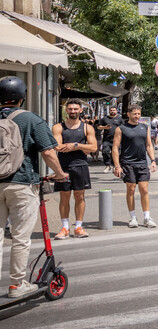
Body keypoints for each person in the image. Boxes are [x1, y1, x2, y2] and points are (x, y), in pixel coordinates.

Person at [0, 76, 69, 298]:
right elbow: (48, 152)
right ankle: (16, 285)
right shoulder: (30, 119)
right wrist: (59, 174)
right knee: (20, 237)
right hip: (22, 184)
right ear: (22, 97)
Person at [51, 99, 98, 239]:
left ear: (80, 110)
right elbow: (57, 146)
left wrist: (76, 145)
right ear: (66, 110)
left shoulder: (87, 128)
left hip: (80, 165)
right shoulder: (58, 127)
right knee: (64, 196)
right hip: (63, 166)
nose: (73, 111)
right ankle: (65, 228)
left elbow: (94, 147)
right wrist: (83, 147)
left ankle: (78, 227)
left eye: (75, 109)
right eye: (70, 109)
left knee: (80, 196)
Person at [112, 104, 157, 228]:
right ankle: (133, 217)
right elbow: (115, 148)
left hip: (142, 163)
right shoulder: (121, 128)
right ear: (128, 114)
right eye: (134, 114)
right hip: (128, 163)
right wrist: (117, 166)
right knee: (131, 189)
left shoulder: (144, 127)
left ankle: (147, 217)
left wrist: (153, 160)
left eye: (138, 114)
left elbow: (149, 145)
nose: (137, 116)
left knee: (144, 190)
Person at [96, 106, 121, 173]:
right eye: (111, 110)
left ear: (116, 111)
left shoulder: (119, 119)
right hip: (107, 139)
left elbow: (123, 127)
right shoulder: (104, 118)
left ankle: (114, 165)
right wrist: (105, 127)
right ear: (109, 111)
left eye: (114, 110)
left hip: (117, 139)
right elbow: (98, 127)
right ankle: (107, 165)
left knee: (116, 153)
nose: (112, 111)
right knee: (105, 151)